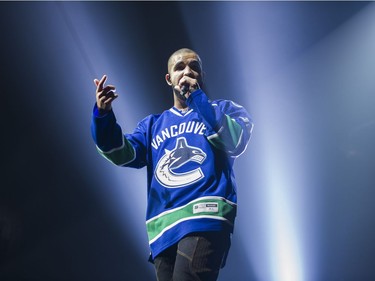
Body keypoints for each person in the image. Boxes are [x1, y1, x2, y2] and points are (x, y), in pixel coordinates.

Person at [91, 48, 254, 281]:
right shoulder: (151, 126)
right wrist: (103, 116)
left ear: (201, 76)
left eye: (194, 67)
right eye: (180, 67)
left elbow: (235, 141)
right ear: (169, 79)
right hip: (163, 230)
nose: (187, 71)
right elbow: (120, 153)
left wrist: (198, 99)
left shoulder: (224, 109)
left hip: (204, 218)